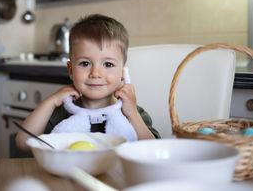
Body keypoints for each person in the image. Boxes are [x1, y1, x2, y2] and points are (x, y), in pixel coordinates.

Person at [16, 14, 160, 152]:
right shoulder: (63, 112)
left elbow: (154, 151)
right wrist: (50, 102)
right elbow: (23, 143)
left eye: (108, 64)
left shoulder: (132, 112)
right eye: (85, 63)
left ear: (122, 73)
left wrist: (132, 113)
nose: (95, 73)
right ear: (71, 70)